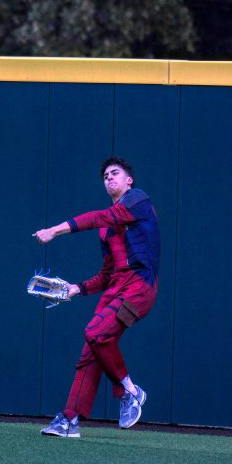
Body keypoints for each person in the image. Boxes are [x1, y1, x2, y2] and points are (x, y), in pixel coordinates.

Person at [32, 156, 161, 438]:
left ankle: (129, 391)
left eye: (115, 173)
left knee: (95, 331)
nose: (109, 178)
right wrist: (77, 288)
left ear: (129, 180)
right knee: (90, 351)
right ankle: (69, 421)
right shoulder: (106, 230)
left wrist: (54, 230)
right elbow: (106, 274)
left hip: (139, 287)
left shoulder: (138, 200)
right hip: (116, 288)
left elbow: (101, 217)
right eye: (105, 176)